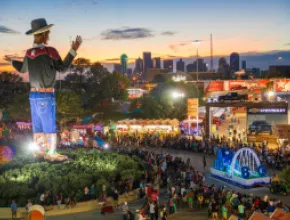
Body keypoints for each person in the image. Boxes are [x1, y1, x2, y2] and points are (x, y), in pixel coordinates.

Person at [4, 18, 82, 161]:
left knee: (38, 124)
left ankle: (39, 152)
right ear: (44, 34)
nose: (49, 35)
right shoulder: (50, 52)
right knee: (48, 125)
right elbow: (63, 68)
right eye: (48, 33)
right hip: (45, 96)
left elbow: (22, 69)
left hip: (33, 95)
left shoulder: (29, 53)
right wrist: (73, 50)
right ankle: (51, 154)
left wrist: (11, 61)